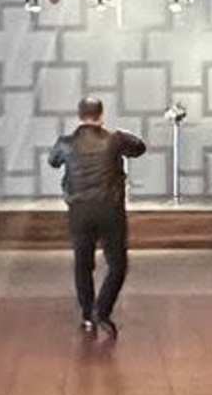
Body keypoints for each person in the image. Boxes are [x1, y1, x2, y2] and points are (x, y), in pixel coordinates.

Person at [46, 96, 151, 340]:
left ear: (80, 115)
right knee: (117, 265)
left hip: (79, 211)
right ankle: (102, 311)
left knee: (83, 265)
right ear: (101, 115)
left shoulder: (66, 143)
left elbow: (53, 161)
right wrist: (120, 134)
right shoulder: (115, 139)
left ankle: (87, 315)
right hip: (110, 210)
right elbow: (140, 148)